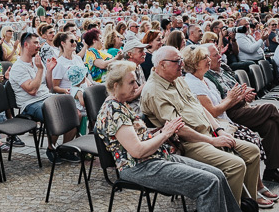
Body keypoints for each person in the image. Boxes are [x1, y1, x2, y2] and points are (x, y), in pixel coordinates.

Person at [95, 61, 240, 212]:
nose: (137, 86)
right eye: (131, 82)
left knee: (217, 174)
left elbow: (137, 138)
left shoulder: (120, 104)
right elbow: (137, 151)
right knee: (209, 183)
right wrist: (165, 133)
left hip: (154, 157)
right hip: (139, 166)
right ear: (116, 86)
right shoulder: (114, 111)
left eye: (136, 81)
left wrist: (161, 132)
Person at [141, 46, 261, 205]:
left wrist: (218, 130)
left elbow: (201, 108)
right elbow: (179, 129)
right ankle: (233, 207)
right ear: (162, 65)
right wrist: (212, 140)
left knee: (252, 151)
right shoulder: (154, 91)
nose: (182, 64)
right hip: (189, 143)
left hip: (209, 133)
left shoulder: (177, 79)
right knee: (235, 165)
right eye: (177, 61)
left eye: (181, 60)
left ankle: (247, 204)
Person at [203, 43, 279, 187]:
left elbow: (238, 89)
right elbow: (219, 103)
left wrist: (246, 93)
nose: (220, 56)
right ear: (206, 60)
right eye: (215, 55)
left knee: (270, 125)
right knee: (270, 108)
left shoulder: (224, 69)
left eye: (219, 53)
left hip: (243, 106)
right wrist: (240, 97)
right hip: (230, 114)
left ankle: (271, 170)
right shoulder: (207, 77)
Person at [9, 33, 79, 164]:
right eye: (35, 43)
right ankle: (51, 148)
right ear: (26, 45)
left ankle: (64, 148)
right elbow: (32, 90)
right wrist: (41, 69)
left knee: (76, 113)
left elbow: (49, 87)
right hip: (30, 104)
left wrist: (49, 70)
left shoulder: (36, 62)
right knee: (56, 114)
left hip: (46, 97)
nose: (38, 46)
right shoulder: (18, 67)